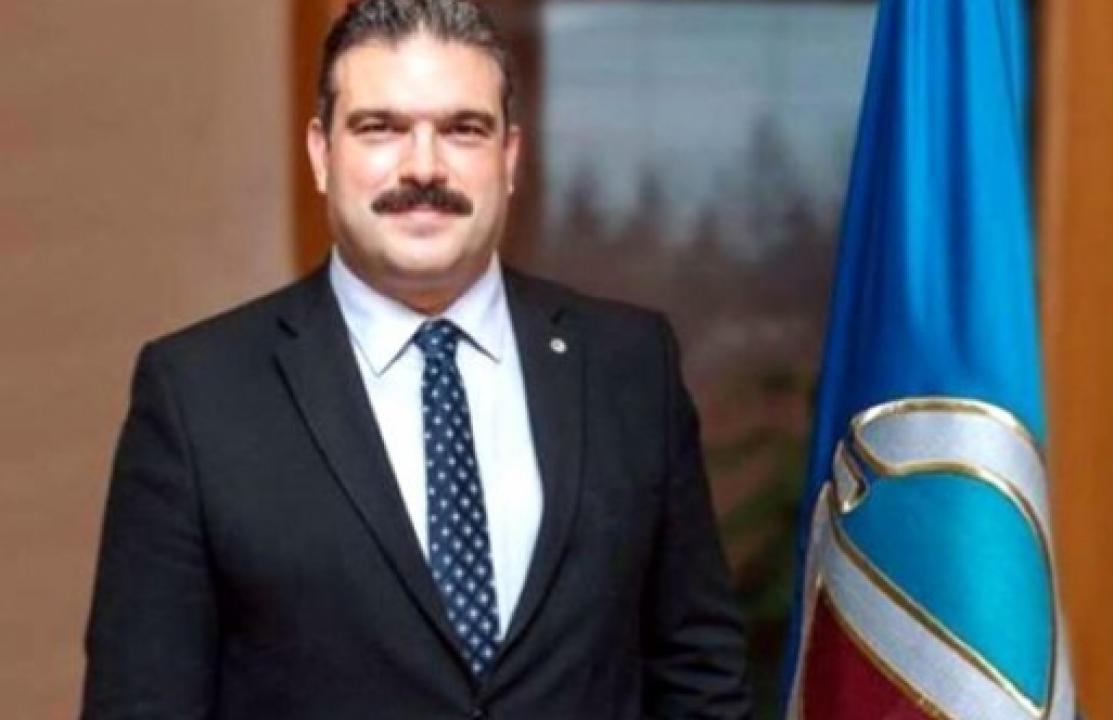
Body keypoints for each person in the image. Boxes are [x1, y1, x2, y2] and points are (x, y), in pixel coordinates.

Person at [80, 0, 750, 717]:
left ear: (509, 157)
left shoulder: (630, 365)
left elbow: (699, 676)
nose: (424, 167)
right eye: (381, 128)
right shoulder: (197, 396)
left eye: (464, 130)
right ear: (321, 154)